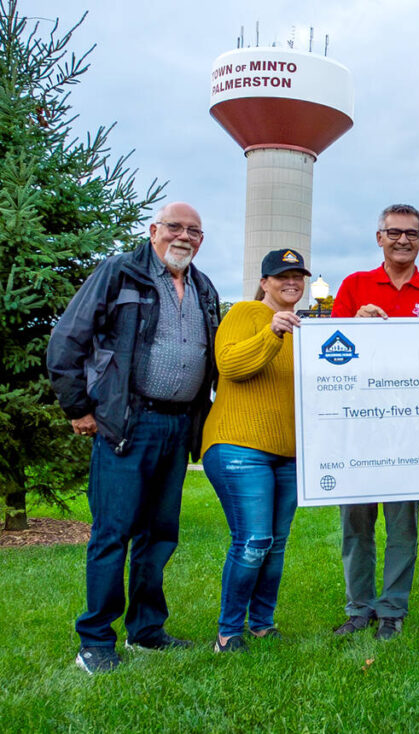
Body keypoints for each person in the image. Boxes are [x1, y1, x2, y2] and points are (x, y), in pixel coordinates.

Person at [47, 202, 220, 674]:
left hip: (177, 425)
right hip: (127, 423)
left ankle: (146, 631)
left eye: (194, 231)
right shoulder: (119, 273)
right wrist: (78, 407)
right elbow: (66, 340)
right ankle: (95, 640)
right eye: (175, 228)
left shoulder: (204, 287)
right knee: (112, 533)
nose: (184, 237)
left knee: (159, 535)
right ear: (153, 230)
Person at [331, 204, 419, 641]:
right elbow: (330, 354)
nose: (404, 240)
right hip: (359, 426)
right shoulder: (354, 286)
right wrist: (353, 324)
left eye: (412, 234)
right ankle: (358, 608)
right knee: (356, 524)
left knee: (403, 524)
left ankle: (392, 610)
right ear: (378, 237)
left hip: (409, 429)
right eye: (395, 232)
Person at [202, 249, 310, 652]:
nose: (292, 283)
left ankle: (262, 623)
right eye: (282, 276)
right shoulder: (245, 313)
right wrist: (271, 333)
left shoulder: (303, 327)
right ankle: (228, 631)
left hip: (288, 451)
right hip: (238, 445)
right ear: (264, 282)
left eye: (298, 276)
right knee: (253, 540)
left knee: (276, 543)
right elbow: (229, 365)